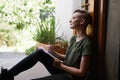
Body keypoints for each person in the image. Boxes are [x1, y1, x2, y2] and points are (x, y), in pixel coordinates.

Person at [0, 9, 93, 80]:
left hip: (71, 76)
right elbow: (68, 57)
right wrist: (54, 53)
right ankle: (7, 75)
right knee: (40, 52)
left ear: (82, 21)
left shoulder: (86, 43)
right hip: (62, 68)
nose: (70, 20)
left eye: (73, 18)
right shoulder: (74, 38)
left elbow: (82, 73)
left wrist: (61, 66)